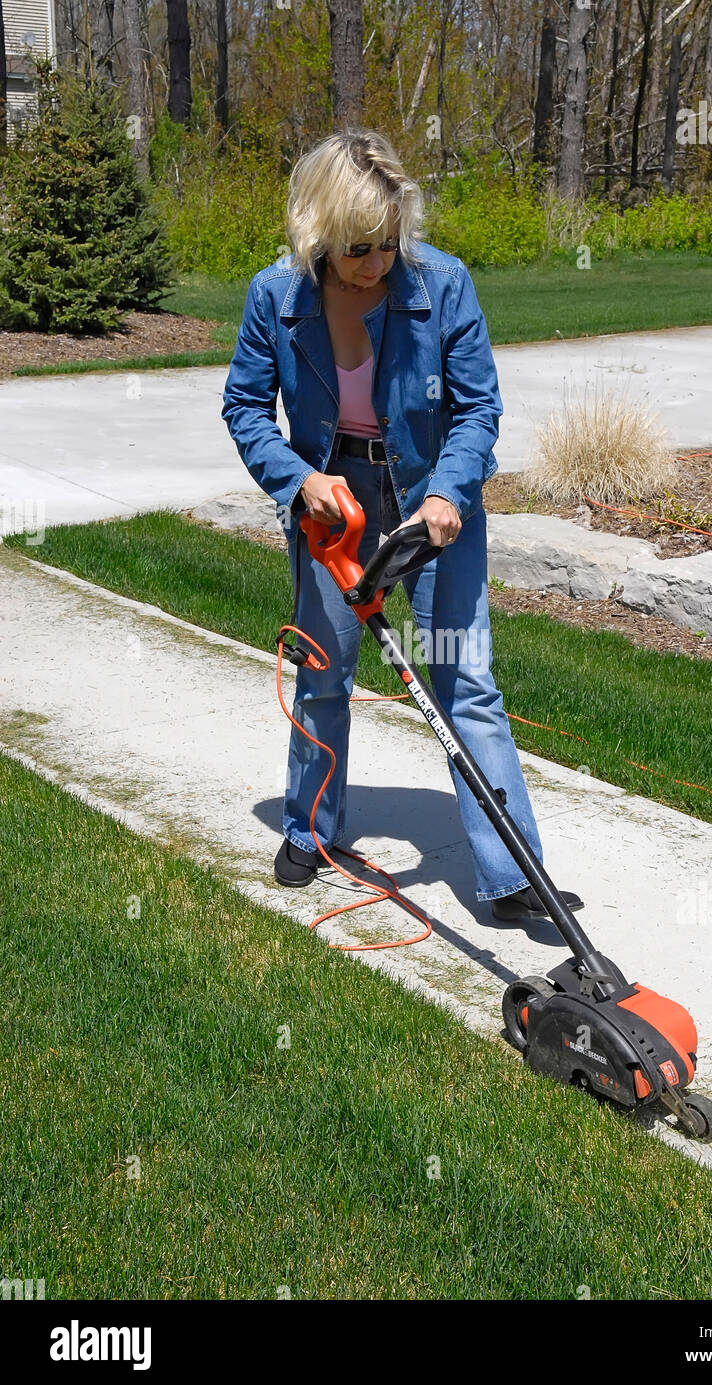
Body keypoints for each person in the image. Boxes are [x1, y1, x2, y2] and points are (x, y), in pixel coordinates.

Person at [222, 128, 580, 922]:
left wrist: (450, 494)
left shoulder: (443, 285)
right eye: (357, 249)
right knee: (323, 678)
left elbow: (478, 407)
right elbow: (246, 408)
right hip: (333, 504)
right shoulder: (273, 296)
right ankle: (309, 830)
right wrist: (299, 479)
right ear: (317, 232)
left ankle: (513, 872)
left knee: (466, 683)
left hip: (432, 503)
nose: (376, 264)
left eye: (387, 245)